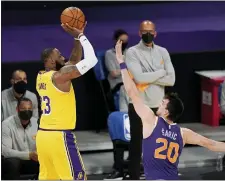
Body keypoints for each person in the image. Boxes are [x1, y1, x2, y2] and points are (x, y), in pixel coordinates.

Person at [115, 40, 225, 180]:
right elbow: (212, 144)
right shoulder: (183, 133)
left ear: (166, 111)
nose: (159, 105)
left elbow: (131, 91)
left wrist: (121, 63)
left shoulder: (150, 121)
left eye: (162, 103)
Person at [36, 23, 98, 180]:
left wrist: (76, 38)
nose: (63, 57)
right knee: (77, 178)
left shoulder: (41, 76)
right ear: (50, 60)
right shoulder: (60, 76)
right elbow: (91, 60)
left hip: (43, 136)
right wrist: (83, 37)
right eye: (59, 55)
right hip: (59, 137)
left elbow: (73, 62)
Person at [125, 20, 175, 179]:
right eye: (145, 31)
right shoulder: (132, 52)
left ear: (155, 33)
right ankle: (134, 176)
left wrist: (150, 77)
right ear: (139, 33)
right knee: (136, 146)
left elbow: (171, 80)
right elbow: (138, 78)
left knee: (160, 144)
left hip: (159, 107)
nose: (148, 34)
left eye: (151, 31)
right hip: (139, 106)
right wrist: (161, 73)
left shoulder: (163, 52)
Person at [2, 97, 39, 180]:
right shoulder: (6, 124)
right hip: (15, 161)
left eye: (29, 108)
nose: (27, 111)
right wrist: (28, 155)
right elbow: (5, 151)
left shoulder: (37, 123)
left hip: (33, 160)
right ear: (17, 109)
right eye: (23, 108)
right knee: (12, 162)